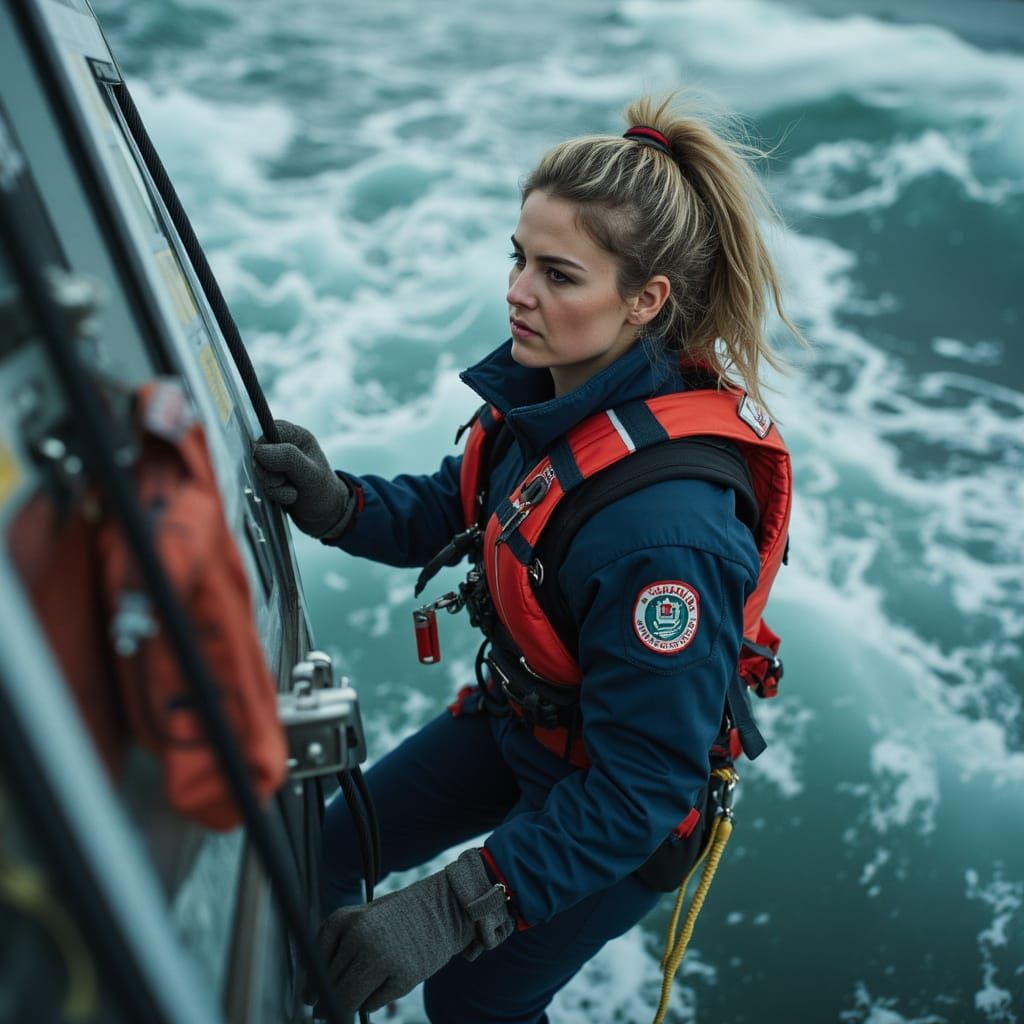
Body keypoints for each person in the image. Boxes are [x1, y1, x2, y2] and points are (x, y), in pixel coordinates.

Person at [253, 94, 800, 1023]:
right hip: (523, 727)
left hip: (616, 809)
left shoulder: (667, 535)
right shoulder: (547, 402)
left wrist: (450, 907)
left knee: (470, 1000)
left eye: (558, 273)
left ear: (645, 300)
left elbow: (641, 791)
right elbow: (451, 508)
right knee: (318, 855)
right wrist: (340, 503)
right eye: (518, 257)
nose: (518, 290)